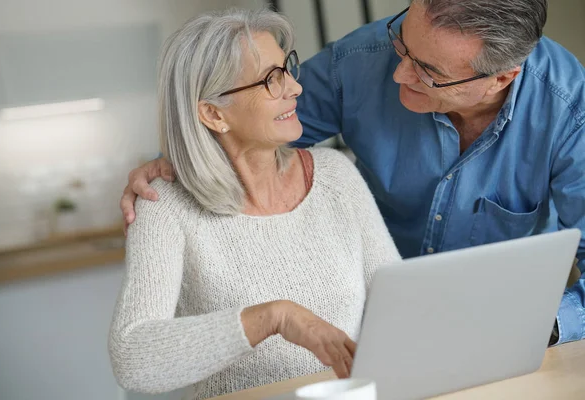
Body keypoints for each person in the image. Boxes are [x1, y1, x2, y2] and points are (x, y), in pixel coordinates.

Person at [121, 0, 585, 347]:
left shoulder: (568, 111)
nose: (399, 73)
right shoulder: (361, 61)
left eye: (427, 71)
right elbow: (247, 121)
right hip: (375, 333)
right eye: (402, 40)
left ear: (500, 79)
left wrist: (539, 326)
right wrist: (177, 160)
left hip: (495, 332)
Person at [108, 8, 401, 400]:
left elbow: (400, 304)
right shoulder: (164, 206)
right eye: (271, 80)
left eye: (287, 69)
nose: (295, 88)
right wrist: (272, 317)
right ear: (213, 114)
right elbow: (132, 357)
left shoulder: (336, 175)